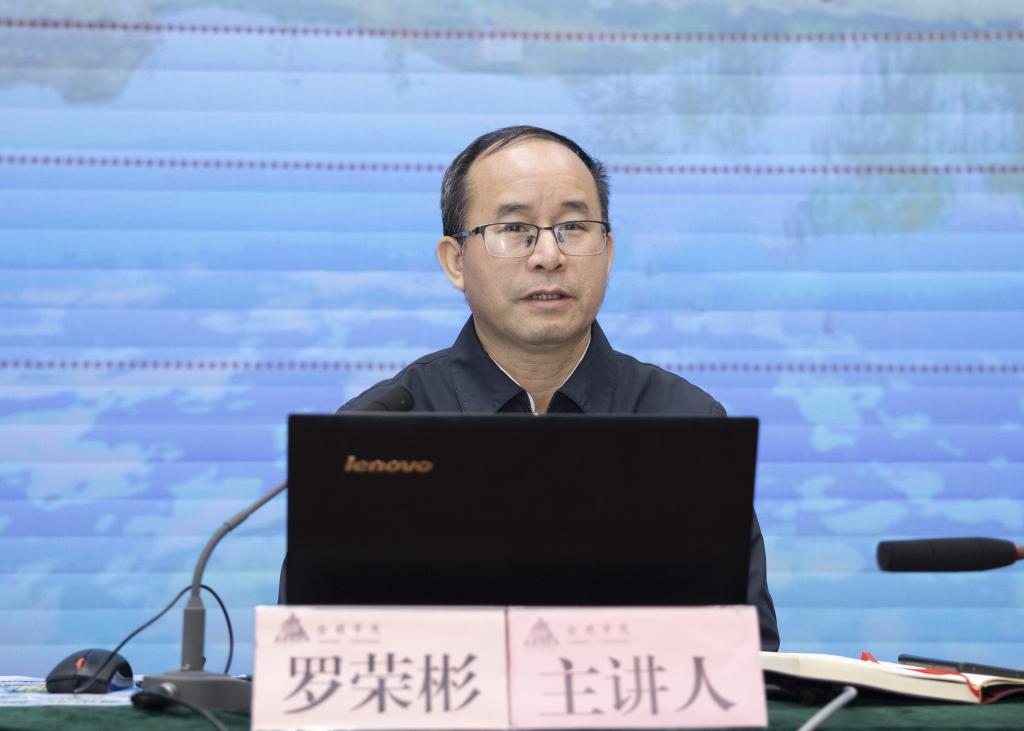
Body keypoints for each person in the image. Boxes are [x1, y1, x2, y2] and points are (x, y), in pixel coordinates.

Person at [341, 125, 780, 650]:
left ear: (608, 251)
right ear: (456, 261)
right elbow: (322, 648)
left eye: (573, 227)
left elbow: (746, 655)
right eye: (515, 228)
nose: (548, 255)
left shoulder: (687, 423)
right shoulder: (381, 429)